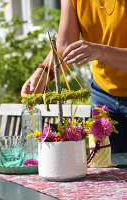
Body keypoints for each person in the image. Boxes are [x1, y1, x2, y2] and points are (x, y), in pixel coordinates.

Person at [21, 0, 127, 153]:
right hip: (104, 96)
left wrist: (99, 52)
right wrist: (44, 72)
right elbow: (64, 45)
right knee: (107, 168)